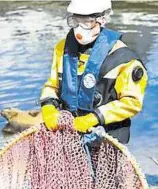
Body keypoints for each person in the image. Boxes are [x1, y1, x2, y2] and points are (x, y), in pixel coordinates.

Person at [40, 0, 148, 144]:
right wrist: (48, 106)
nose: (79, 28)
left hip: (107, 137)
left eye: (86, 22)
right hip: (70, 133)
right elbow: (52, 85)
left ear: (102, 20)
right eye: (75, 21)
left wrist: (94, 118)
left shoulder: (124, 59)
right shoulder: (62, 48)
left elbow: (131, 102)